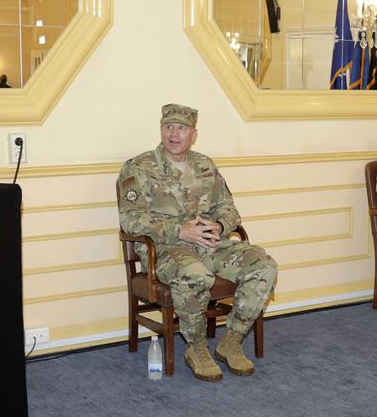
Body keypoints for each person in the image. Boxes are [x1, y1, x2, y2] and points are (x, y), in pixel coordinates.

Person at [117, 104, 278, 382]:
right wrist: (179, 231)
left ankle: (232, 341)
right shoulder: (139, 167)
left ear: (194, 134)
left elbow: (228, 208)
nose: (174, 134)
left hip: (210, 244)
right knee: (196, 275)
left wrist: (219, 225)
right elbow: (131, 221)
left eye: (182, 128)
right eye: (169, 127)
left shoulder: (205, 165)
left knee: (264, 265)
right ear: (161, 130)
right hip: (166, 250)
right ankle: (197, 347)